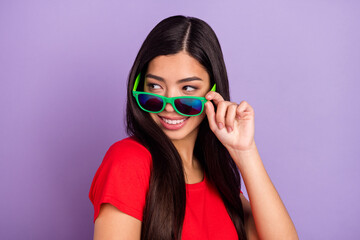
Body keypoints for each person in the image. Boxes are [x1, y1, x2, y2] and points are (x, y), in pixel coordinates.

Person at [89, 15, 298, 240]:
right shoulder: (128, 161)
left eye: (188, 88)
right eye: (155, 86)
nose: (169, 105)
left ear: (213, 92)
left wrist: (245, 152)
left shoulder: (217, 175)